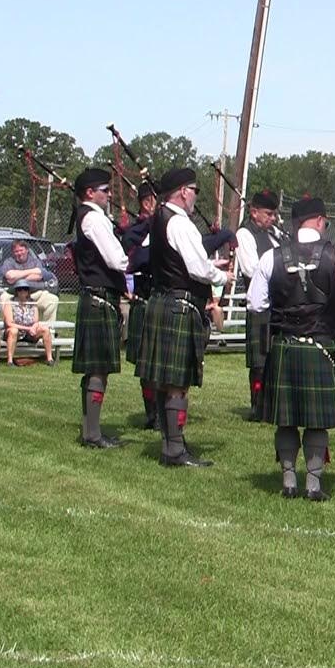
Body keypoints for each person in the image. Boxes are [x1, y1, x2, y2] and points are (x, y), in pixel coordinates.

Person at [247, 195, 335, 500]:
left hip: (285, 346)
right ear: (318, 220)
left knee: (286, 417)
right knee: (316, 419)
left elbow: (255, 303)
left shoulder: (271, 257)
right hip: (322, 345)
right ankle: (313, 485)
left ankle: (288, 481)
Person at [137, 167, 231, 468]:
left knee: (166, 381)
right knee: (177, 382)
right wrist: (222, 274)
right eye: (195, 190)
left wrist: (209, 262)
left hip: (163, 300)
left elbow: (180, 260)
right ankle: (175, 450)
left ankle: (171, 445)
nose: (195, 197)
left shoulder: (160, 219)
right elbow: (197, 269)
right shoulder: (180, 223)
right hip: (180, 305)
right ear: (182, 191)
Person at [71, 167, 129, 449]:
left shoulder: (88, 216)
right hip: (99, 297)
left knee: (96, 369)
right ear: (90, 193)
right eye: (105, 190)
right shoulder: (93, 217)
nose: (109, 195)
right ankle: (92, 434)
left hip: (94, 297)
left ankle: (90, 430)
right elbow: (117, 260)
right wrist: (136, 257)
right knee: (98, 369)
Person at [237, 190, 284, 421]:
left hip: (279, 306)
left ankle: (274, 403)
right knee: (259, 361)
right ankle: (257, 406)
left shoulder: (276, 235)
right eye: (268, 214)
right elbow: (250, 269)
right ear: (254, 212)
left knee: (276, 358)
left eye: (274, 214)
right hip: (259, 304)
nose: (272, 218)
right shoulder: (245, 234)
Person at [122, 183, 159, 429]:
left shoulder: (164, 228)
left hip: (161, 301)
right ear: (147, 203)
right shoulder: (136, 232)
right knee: (146, 368)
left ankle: (163, 413)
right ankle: (152, 414)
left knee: (160, 365)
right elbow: (133, 259)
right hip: (146, 301)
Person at [0, 239, 60, 324]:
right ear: (13, 253)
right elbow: (10, 276)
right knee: (4, 298)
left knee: (52, 299)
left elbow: (39, 275)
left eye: (21, 250)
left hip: (35, 294)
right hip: (14, 294)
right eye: (16, 251)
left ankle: (48, 331)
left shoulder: (35, 261)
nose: (19, 253)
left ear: (27, 250)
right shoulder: (9, 262)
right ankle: (8, 328)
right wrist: (31, 271)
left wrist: (18, 278)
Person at [2, 278, 55, 366]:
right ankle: (10, 360)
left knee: (45, 329)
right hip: (15, 331)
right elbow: (9, 323)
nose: (22, 292)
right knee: (13, 330)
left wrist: (33, 328)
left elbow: (36, 321)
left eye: (25, 289)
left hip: (29, 332)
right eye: (20, 289)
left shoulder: (33, 303)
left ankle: (49, 358)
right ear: (16, 291)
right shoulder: (10, 303)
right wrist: (28, 328)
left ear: (28, 291)